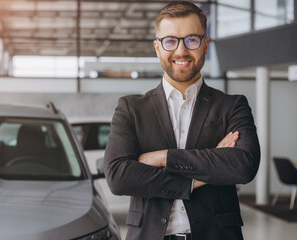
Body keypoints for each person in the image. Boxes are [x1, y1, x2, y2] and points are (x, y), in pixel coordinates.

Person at [104, 1, 260, 240]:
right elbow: (118, 177)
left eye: (192, 40)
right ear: (157, 48)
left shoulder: (233, 106)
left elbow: (243, 165)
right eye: (170, 41)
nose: (180, 51)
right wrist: (202, 173)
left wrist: (164, 157)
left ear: (205, 45)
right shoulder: (131, 108)